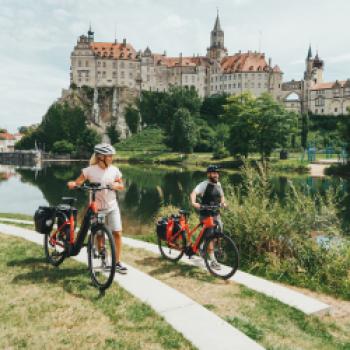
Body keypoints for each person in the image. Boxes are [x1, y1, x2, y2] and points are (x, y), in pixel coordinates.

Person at [67, 143, 127, 274]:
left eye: (111, 156)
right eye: (109, 156)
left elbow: (121, 185)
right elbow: (78, 182)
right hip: (97, 208)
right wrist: (73, 184)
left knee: (117, 233)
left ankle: (117, 262)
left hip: (112, 206)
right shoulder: (89, 170)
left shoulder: (114, 170)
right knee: (100, 234)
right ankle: (103, 257)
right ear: (101, 157)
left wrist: (115, 185)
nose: (112, 158)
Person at [190, 165, 226, 270]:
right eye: (214, 173)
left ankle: (201, 247)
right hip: (206, 215)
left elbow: (222, 195)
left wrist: (223, 202)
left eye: (217, 173)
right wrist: (193, 202)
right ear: (209, 174)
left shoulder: (218, 184)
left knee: (217, 235)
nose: (216, 175)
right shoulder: (203, 185)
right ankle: (213, 261)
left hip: (216, 214)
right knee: (210, 236)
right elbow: (193, 193)